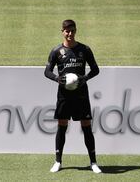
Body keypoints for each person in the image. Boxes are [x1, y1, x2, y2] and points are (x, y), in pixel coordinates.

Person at [44, 19, 101, 173]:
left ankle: (93, 162)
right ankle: (58, 161)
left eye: (72, 30)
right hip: (64, 95)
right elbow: (47, 71)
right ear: (62, 31)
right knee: (62, 126)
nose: (69, 34)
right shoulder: (56, 51)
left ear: (76, 31)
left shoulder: (84, 49)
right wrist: (57, 78)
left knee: (86, 127)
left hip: (81, 94)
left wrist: (85, 78)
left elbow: (96, 69)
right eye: (67, 31)